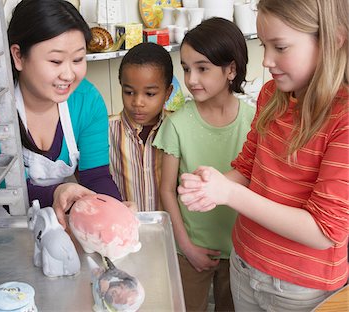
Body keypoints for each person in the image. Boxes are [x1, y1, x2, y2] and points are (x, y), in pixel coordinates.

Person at [178, 0, 349, 311]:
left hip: (299, 288)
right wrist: (212, 186)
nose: (267, 60)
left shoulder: (343, 118)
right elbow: (247, 166)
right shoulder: (273, 96)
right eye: (264, 44)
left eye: (280, 47)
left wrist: (229, 193)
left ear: (332, 42)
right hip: (245, 262)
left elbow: (323, 231)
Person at [0, 0, 121, 226]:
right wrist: (57, 193)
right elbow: (3, 193)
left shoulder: (88, 101)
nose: (68, 75)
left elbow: (96, 177)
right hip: (1, 225)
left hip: (58, 219)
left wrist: (113, 211)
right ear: (18, 56)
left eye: (77, 59)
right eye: (56, 61)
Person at [153, 17, 255, 311]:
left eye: (202, 68)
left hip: (240, 252)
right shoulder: (178, 124)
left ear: (231, 70)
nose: (191, 79)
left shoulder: (255, 120)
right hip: (190, 250)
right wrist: (186, 247)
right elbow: (167, 190)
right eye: (186, 69)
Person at [108, 42, 173, 212]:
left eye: (150, 94)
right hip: (122, 229)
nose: (137, 102)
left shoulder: (177, 128)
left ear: (168, 93)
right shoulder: (106, 130)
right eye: (129, 92)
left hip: (169, 230)